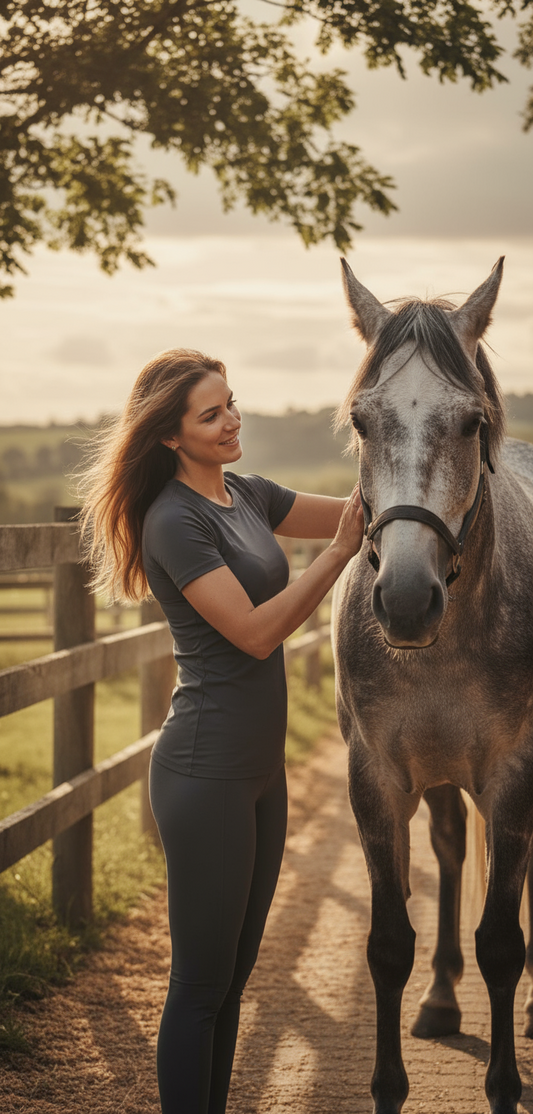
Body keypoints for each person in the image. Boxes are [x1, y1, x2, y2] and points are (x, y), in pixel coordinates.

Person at [81, 348, 364, 1114]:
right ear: (170, 436)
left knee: (232, 981)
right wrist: (337, 556)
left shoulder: (247, 494)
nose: (231, 419)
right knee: (199, 987)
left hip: (259, 775)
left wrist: (416, 459)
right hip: (203, 775)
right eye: (211, 414)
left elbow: (358, 513)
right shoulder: (172, 521)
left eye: (231, 403)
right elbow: (255, 633)